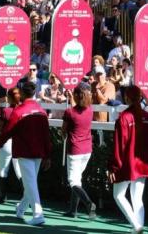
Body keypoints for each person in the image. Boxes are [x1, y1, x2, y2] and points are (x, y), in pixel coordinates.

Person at [0, 81, 52, 226]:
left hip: (25, 152)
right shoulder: (41, 111)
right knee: (30, 183)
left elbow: (7, 132)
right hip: (38, 153)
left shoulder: (19, 111)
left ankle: (38, 214)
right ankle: (21, 209)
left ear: (21, 93)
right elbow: (46, 135)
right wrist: (47, 155)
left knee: (30, 184)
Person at [108, 85, 148, 233]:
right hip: (143, 163)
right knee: (137, 198)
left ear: (126, 98)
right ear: (140, 97)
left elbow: (119, 145)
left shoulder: (124, 118)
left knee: (118, 195)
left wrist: (113, 167)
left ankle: (136, 226)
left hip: (128, 163)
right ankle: (137, 227)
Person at [61, 84, 97, 219]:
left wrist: (64, 134)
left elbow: (64, 131)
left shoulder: (69, 112)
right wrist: (72, 99)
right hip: (87, 149)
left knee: (73, 181)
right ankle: (73, 210)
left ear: (76, 96)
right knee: (77, 180)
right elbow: (76, 110)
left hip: (75, 150)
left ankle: (89, 204)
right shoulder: (90, 110)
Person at [0, 87, 22, 204]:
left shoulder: (6, 111)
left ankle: (2, 196)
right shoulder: (23, 110)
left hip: (6, 143)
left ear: (9, 98)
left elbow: (0, 128)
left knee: (3, 170)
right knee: (19, 171)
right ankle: (27, 196)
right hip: (19, 143)